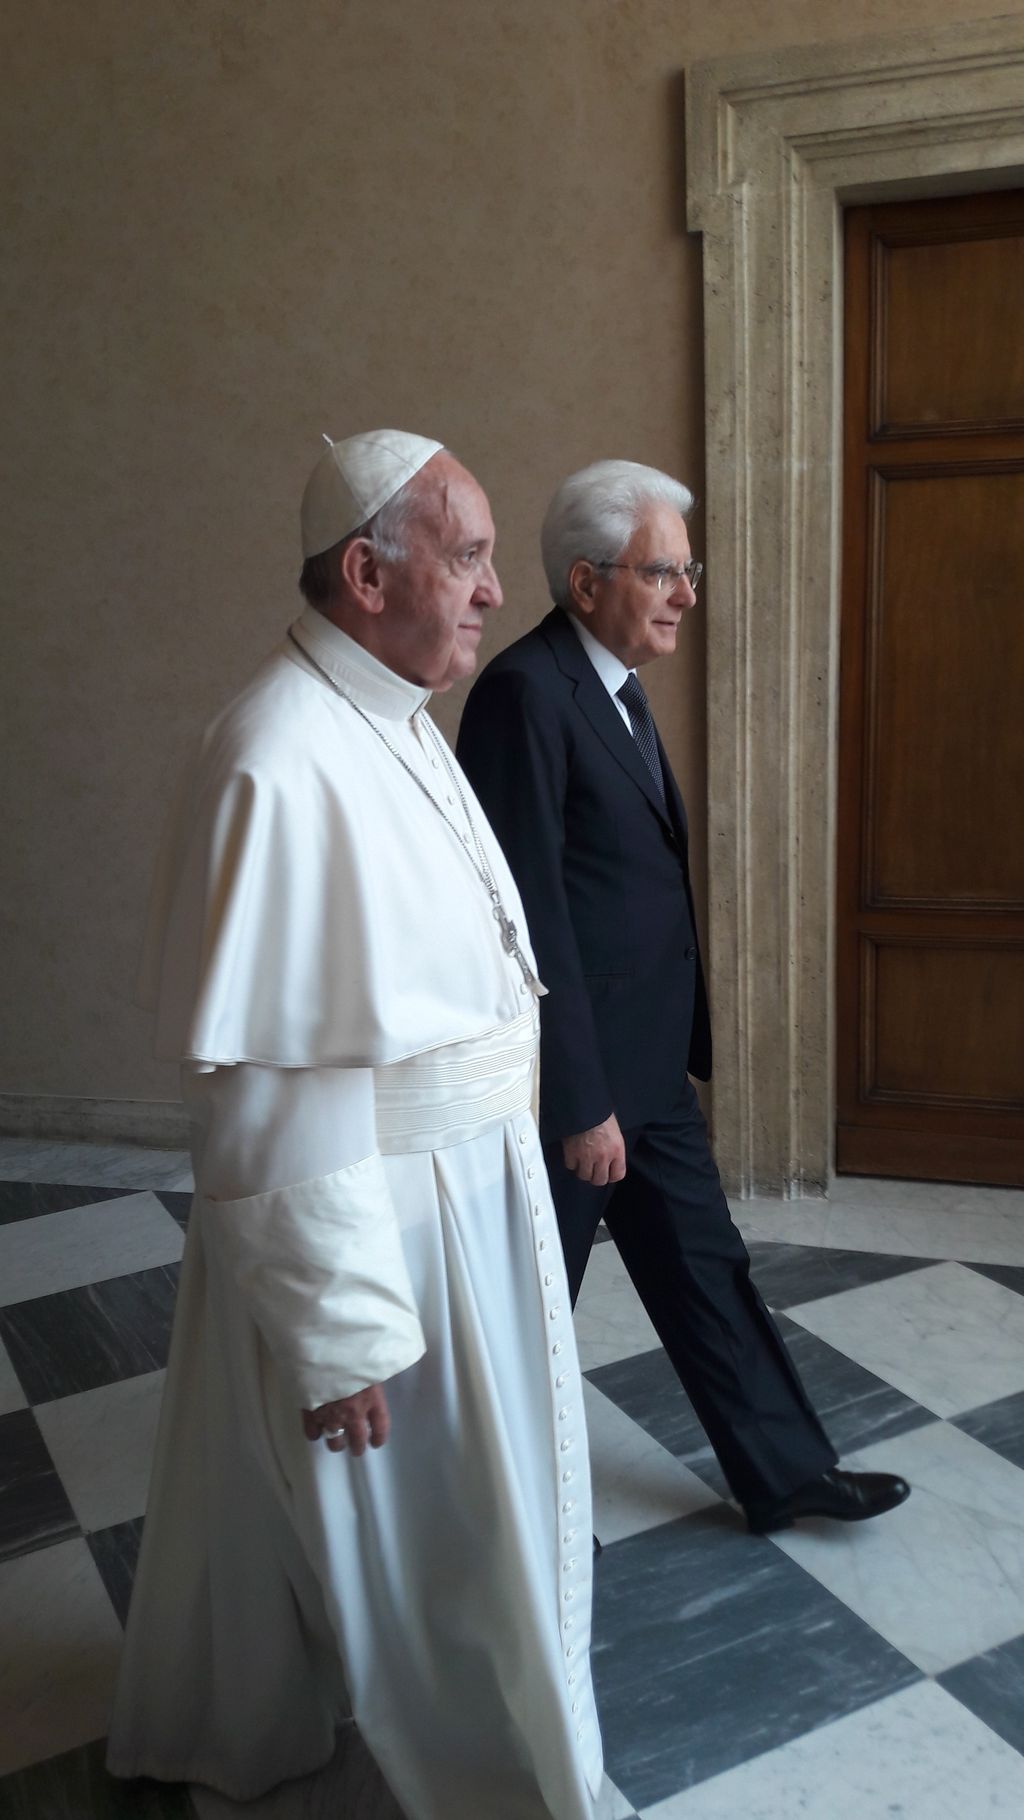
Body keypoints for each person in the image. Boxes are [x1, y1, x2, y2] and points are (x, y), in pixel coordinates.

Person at [106, 431, 603, 1820]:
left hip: (464, 1185)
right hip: (385, 1220)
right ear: (368, 571)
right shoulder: (275, 751)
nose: (496, 592)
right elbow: (270, 1083)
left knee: (426, 1535)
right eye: (469, 557)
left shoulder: (389, 716)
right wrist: (340, 1333)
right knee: (430, 1539)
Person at [457, 458, 910, 1537]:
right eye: (663, 571)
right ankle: (469, 1516)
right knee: (522, 1309)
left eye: (685, 570)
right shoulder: (525, 693)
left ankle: (785, 1471)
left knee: (708, 1270)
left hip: (646, 1068)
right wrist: (576, 1101)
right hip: (575, 1089)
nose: (685, 594)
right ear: (585, 579)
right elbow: (523, 916)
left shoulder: (610, 685)